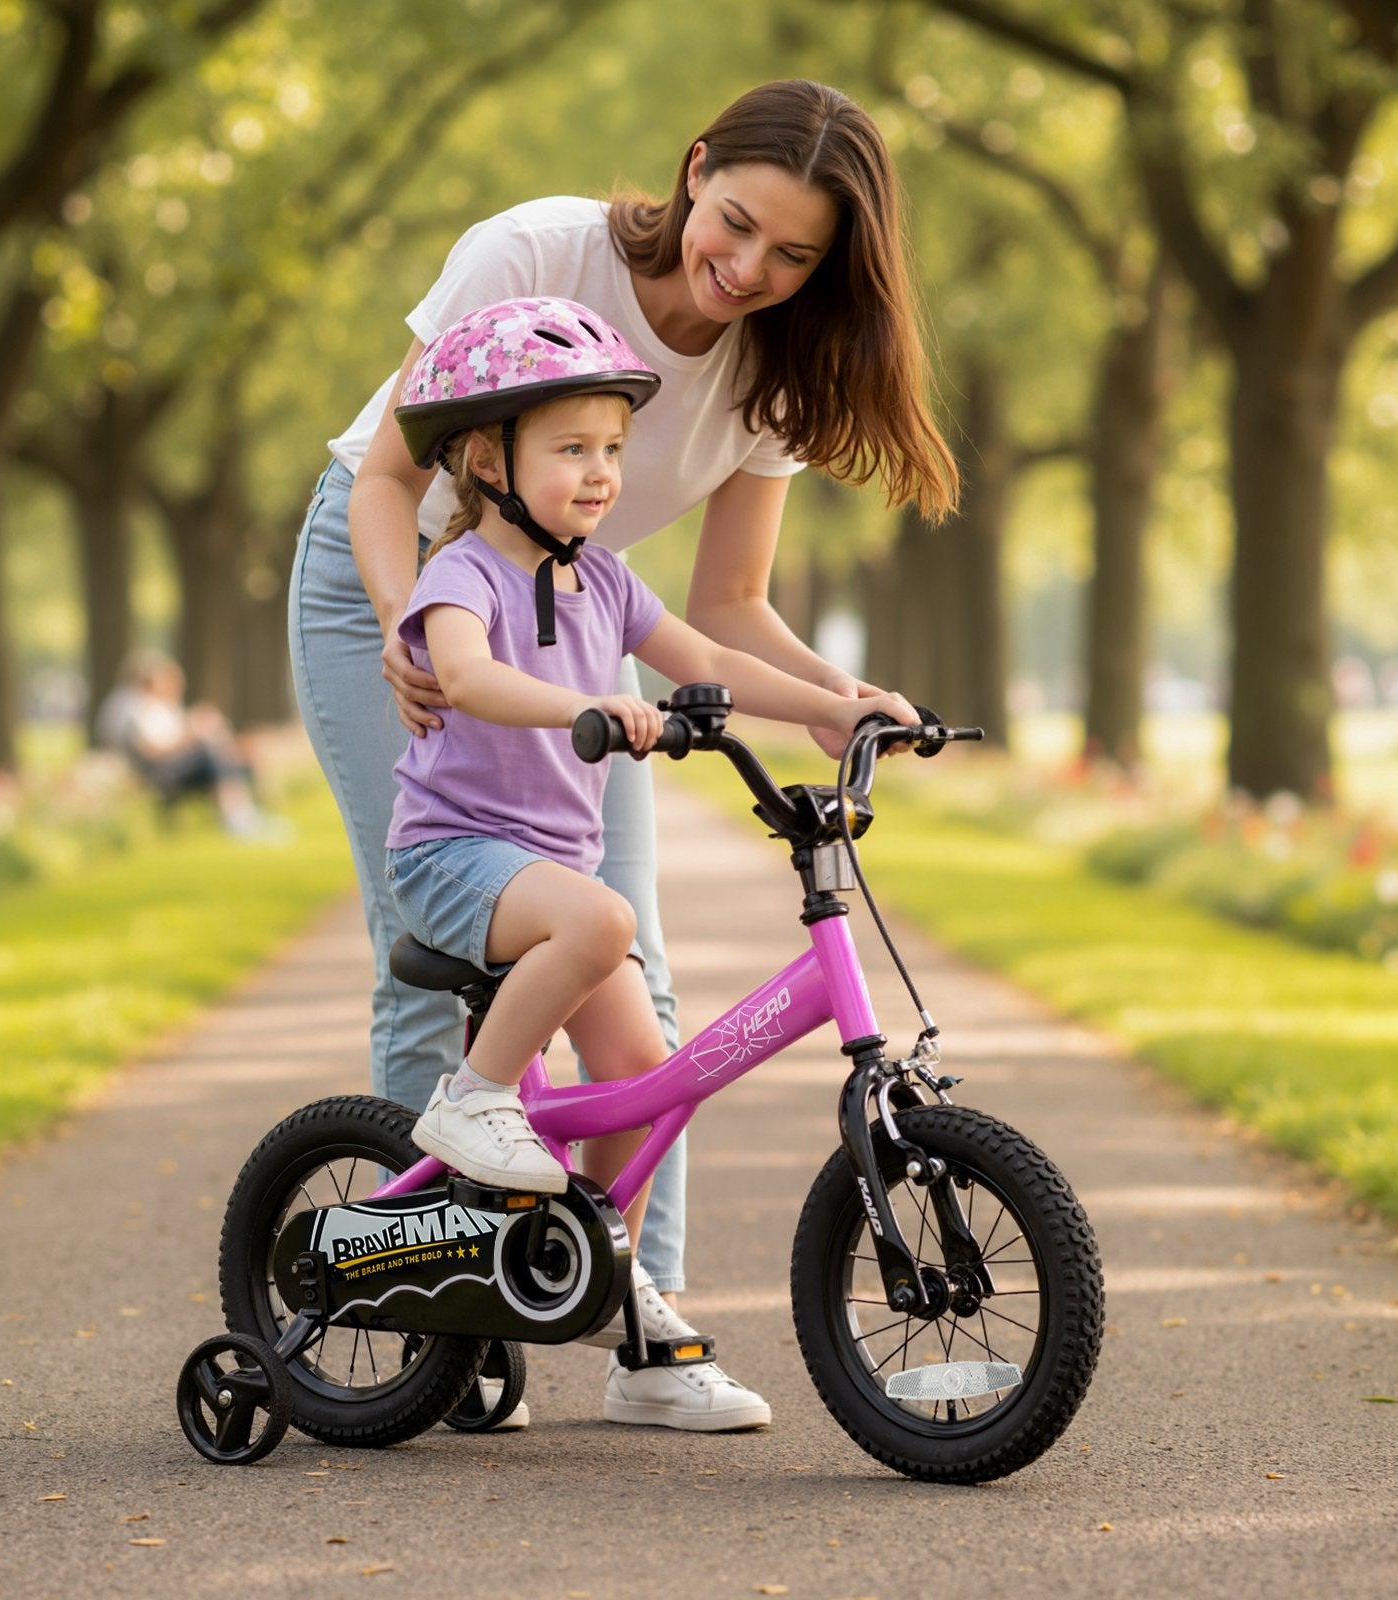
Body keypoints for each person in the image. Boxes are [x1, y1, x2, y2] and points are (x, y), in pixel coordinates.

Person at [288, 78, 958, 1428]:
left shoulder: (771, 368)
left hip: (582, 609)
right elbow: (383, 478)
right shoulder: (535, 250)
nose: (749, 270)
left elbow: (719, 615)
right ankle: (435, 1310)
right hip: (405, 580)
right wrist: (406, 635)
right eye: (736, 222)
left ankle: (629, 1317)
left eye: (795, 256)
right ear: (695, 166)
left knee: (626, 965)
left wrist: (835, 698)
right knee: (440, 950)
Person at [387, 295, 920, 1429]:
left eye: (614, 450)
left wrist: (838, 706)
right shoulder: (464, 577)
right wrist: (589, 705)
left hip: (549, 876)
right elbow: (469, 677)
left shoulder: (607, 582)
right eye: (570, 448)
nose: (599, 473)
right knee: (604, 920)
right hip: (454, 857)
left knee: (643, 1077)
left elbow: (709, 661)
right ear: (487, 456)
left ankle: (589, 1273)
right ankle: (470, 1098)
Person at [96, 647, 288, 840]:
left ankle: (243, 813)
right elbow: (150, 750)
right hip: (158, 772)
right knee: (210, 755)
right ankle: (236, 817)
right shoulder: (134, 707)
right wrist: (191, 735)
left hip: (169, 766)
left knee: (226, 754)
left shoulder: (156, 706)